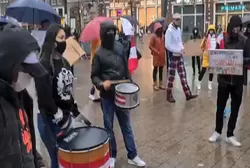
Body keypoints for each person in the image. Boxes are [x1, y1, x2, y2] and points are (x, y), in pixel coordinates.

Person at [91, 20, 146, 168]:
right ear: (103, 34)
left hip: (122, 93)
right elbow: (94, 76)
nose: (110, 34)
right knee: (109, 126)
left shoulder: (120, 48)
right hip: (107, 96)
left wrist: (130, 81)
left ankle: (132, 155)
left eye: (112, 31)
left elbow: (125, 67)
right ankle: (112, 155)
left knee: (126, 125)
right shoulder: (98, 54)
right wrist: (102, 84)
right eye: (107, 32)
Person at [36, 24, 81, 168]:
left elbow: (67, 89)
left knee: (68, 156)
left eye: (65, 37)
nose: (64, 41)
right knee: (58, 158)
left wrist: (74, 109)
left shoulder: (64, 61)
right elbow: (44, 97)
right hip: (50, 120)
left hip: (66, 118)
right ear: (53, 42)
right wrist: (56, 113)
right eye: (61, 38)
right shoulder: (44, 64)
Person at [0, 28, 46, 168]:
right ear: (10, 67)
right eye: (27, 71)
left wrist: (37, 162)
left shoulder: (22, 96)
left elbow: (25, 140)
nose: (30, 77)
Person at [208, 15, 250, 147]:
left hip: (238, 80)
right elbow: (215, 54)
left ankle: (230, 134)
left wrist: (239, 60)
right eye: (234, 27)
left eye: (239, 27)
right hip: (224, 79)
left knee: (235, 107)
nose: (236, 29)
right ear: (230, 26)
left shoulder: (245, 40)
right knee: (220, 107)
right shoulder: (222, 38)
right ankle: (217, 131)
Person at [165, 13, 197, 103]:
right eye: (176, 19)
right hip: (173, 56)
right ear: (173, 20)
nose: (178, 21)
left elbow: (179, 41)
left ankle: (188, 94)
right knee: (171, 77)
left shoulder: (179, 29)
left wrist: (182, 48)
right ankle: (168, 94)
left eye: (179, 19)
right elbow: (167, 45)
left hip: (179, 56)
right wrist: (177, 50)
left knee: (183, 76)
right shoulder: (169, 31)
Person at [198, 24, 217, 90]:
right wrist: (204, 41)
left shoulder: (215, 38)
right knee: (203, 71)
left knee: (211, 72)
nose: (211, 32)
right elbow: (201, 46)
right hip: (206, 57)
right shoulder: (205, 38)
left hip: (213, 57)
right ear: (208, 31)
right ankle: (199, 83)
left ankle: (210, 84)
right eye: (210, 30)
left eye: (212, 30)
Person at [149, 22, 166, 91]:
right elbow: (150, 45)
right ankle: (155, 84)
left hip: (162, 56)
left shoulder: (162, 36)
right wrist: (156, 51)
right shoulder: (153, 37)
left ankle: (161, 84)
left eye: (161, 29)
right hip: (156, 56)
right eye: (159, 29)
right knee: (155, 70)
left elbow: (164, 44)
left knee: (161, 70)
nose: (161, 30)